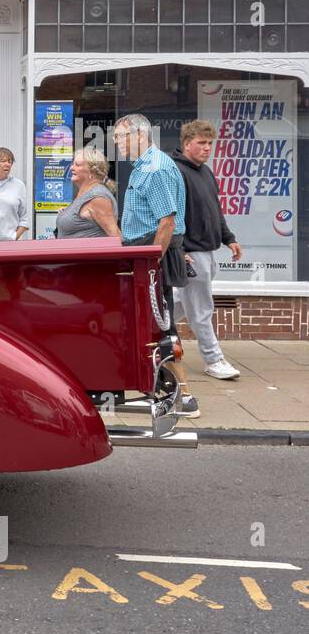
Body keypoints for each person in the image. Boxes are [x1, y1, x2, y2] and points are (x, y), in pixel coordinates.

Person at [113, 112, 195, 416]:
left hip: (150, 254)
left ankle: (183, 397)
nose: (117, 143)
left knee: (162, 326)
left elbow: (167, 222)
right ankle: (163, 391)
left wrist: (151, 263)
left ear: (139, 135)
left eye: (120, 137)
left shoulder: (155, 169)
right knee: (154, 324)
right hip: (147, 251)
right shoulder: (145, 166)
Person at [172, 120, 242, 381]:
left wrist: (229, 238)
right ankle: (213, 359)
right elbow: (171, 214)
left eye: (210, 143)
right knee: (202, 308)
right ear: (187, 144)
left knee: (178, 304)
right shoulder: (176, 172)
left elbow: (215, 211)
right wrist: (178, 249)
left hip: (206, 251)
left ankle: (147, 336)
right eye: (201, 143)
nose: (207, 148)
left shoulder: (206, 172)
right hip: (191, 251)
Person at [54, 146, 120, 239]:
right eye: (73, 164)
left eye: (77, 164)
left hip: (89, 253)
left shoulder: (98, 197)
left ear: (92, 171)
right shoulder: (86, 193)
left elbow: (115, 236)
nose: (71, 168)